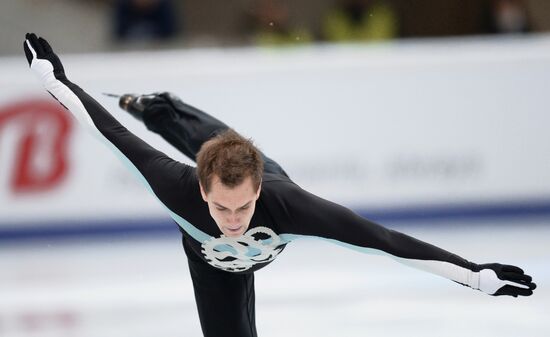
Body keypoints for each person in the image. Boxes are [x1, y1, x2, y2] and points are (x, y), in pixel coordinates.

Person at [23, 33, 536, 337]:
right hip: (212, 271)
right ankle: (157, 110)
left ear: (258, 192)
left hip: (269, 177)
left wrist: (473, 276)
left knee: (216, 137)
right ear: (202, 193)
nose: (232, 222)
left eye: (243, 207)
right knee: (195, 142)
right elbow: (107, 130)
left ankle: (164, 106)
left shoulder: (286, 205)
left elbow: (384, 242)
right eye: (222, 209)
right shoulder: (177, 187)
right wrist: (54, 81)